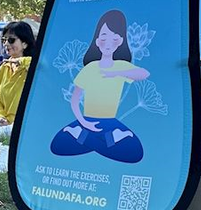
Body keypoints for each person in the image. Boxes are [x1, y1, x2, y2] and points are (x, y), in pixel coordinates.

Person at [49, 9, 150, 163]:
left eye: (114, 38)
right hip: (87, 120)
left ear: (120, 41)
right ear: (97, 41)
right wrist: (82, 121)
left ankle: (83, 137)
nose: (108, 43)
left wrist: (117, 73)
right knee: (58, 145)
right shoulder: (90, 68)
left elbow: (144, 74)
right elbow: (75, 99)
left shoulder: (121, 66)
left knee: (135, 152)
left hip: (109, 121)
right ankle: (110, 139)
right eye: (104, 37)